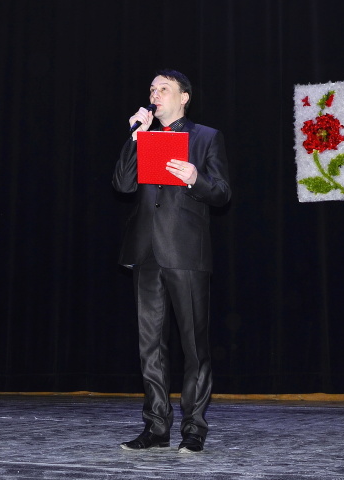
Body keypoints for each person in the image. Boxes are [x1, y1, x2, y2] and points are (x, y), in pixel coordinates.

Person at [112, 69, 231, 453]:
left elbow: (222, 192)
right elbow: (122, 184)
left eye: (164, 88)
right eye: (152, 88)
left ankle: (194, 429)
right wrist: (135, 138)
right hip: (146, 253)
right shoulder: (143, 136)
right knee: (151, 347)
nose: (155, 94)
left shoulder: (206, 137)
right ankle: (157, 427)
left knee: (194, 346)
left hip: (186, 253)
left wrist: (196, 178)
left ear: (184, 97)